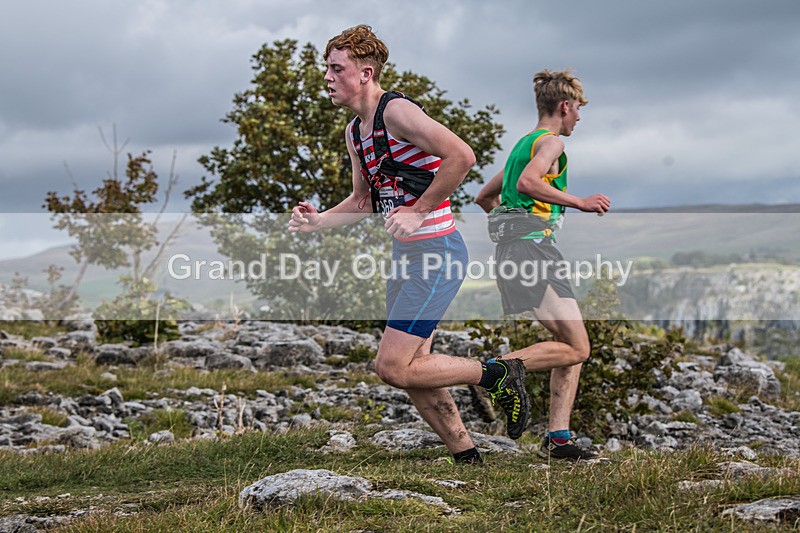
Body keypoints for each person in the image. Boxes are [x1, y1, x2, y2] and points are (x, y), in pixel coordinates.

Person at [288, 25, 530, 464]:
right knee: (416, 365)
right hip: (407, 258)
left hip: (437, 253)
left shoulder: (396, 112)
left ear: (365, 73)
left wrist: (418, 209)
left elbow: (462, 156)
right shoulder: (355, 133)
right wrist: (318, 222)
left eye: (335, 68)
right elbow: (363, 201)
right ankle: (467, 456)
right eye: (326, 67)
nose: (326, 76)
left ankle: (496, 373)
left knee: (392, 366)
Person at [476, 69, 610, 460]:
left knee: (572, 344)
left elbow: (486, 196)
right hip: (533, 252)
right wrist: (580, 202)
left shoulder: (524, 145)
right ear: (564, 106)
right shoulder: (549, 143)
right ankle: (501, 370)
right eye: (578, 109)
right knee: (578, 346)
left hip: (523, 250)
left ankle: (558, 439)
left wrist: (510, 228)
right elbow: (528, 185)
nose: (579, 118)